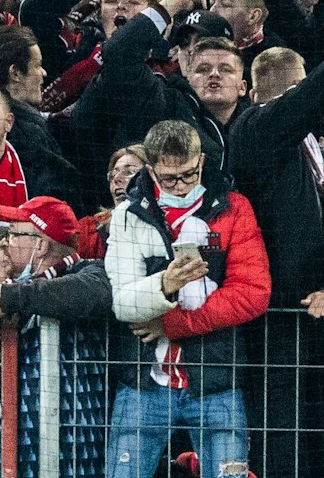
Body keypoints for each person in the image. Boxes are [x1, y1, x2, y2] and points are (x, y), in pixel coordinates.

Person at [104, 119, 271, 478]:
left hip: (216, 382)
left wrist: (170, 323)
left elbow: (253, 293)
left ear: (203, 161)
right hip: (142, 380)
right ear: (150, 170)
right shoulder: (125, 216)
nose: (181, 185)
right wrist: (166, 284)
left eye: (190, 174)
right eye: (169, 178)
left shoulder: (234, 207)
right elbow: (122, 301)